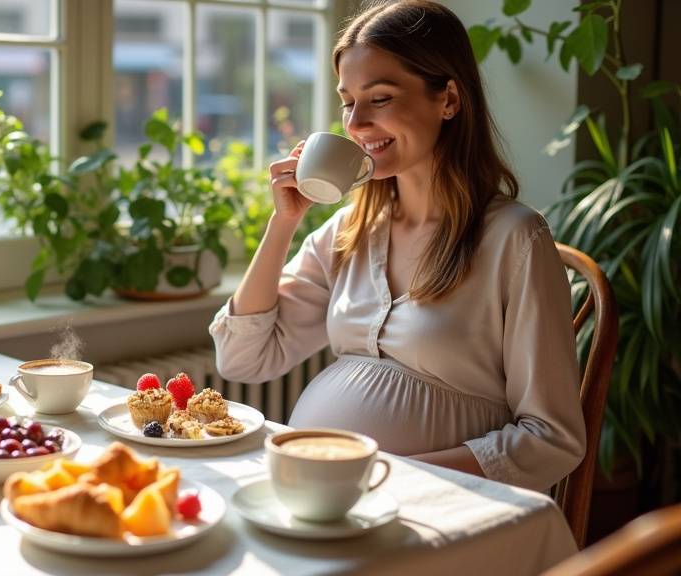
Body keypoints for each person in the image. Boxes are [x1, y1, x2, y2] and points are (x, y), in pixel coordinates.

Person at [209, 0, 585, 492]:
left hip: (438, 511)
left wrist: (400, 477)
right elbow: (244, 359)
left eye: (380, 98)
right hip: (324, 500)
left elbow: (552, 439)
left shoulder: (514, 241)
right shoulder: (350, 232)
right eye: (347, 102)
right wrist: (284, 222)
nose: (356, 124)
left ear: (448, 99)